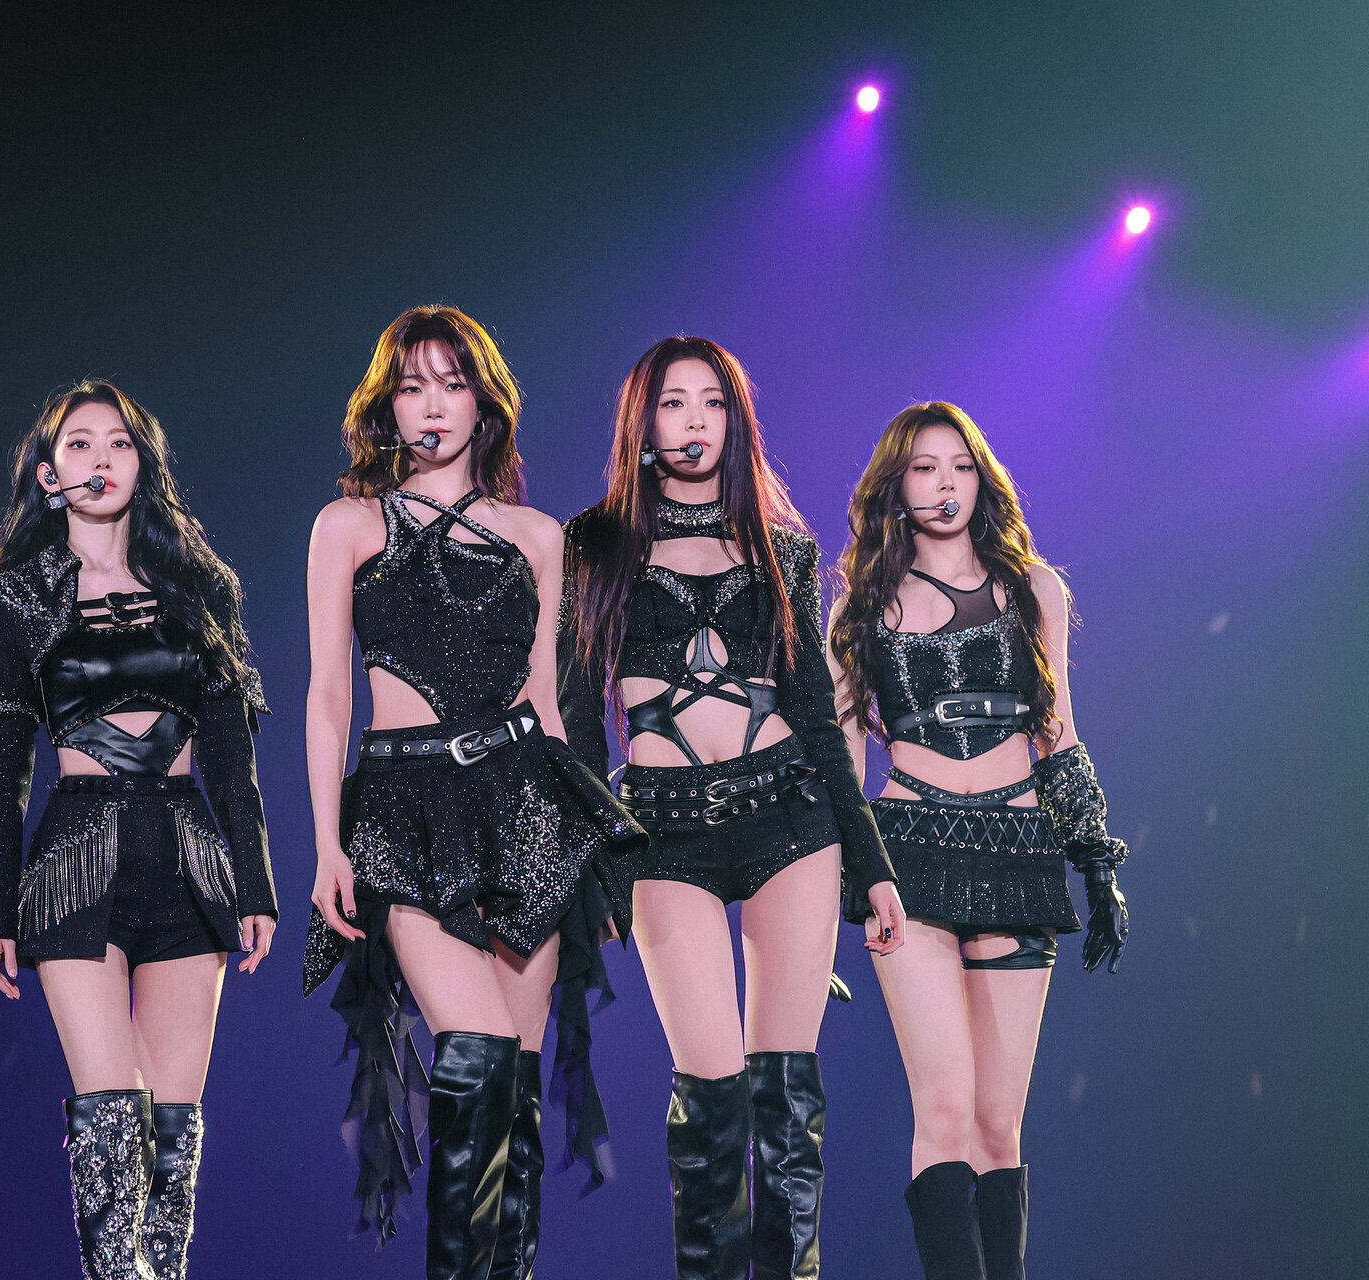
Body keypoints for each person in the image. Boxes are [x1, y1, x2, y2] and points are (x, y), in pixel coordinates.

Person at [303, 305, 642, 1280]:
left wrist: (586, 858)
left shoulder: (538, 535)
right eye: (411, 386)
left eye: (452, 384)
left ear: (485, 403)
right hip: (402, 807)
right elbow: (328, 695)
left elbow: (549, 705)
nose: (432, 405)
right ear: (386, 407)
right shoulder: (347, 524)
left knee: (517, 1095)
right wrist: (327, 844)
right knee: (480, 1051)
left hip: (526, 804)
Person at [561, 337, 905, 1279]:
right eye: (674, 403)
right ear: (643, 423)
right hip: (661, 831)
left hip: (789, 815)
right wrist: (602, 862)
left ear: (736, 420)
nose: (695, 421)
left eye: (712, 402)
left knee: (785, 1100)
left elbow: (818, 721)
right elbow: (578, 725)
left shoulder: (781, 549)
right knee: (710, 1092)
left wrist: (871, 865)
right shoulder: (593, 544)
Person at [0, 379, 276, 1280]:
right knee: (111, 1112)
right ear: (48, 473)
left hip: (188, 854)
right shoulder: (15, 598)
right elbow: (1, 775)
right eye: (80, 444)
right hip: (75, 858)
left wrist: (257, 885)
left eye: (120, 442)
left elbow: (232, 758)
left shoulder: (200, 588)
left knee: (173, 1130)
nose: (102, 459)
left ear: (145, 463)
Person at [827, 402, 1130, 1280]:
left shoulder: (1036, 590)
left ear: (982, 477)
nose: (945, 484)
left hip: (1019, 849)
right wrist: (844, 881)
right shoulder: (860, 607)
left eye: (960, 465)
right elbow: (842, 758)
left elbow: (1058, 732)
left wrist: (1095, 860)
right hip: (909, 851)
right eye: (924, 468)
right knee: (947, 1109)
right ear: (896, 486)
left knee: (1000, 1125)